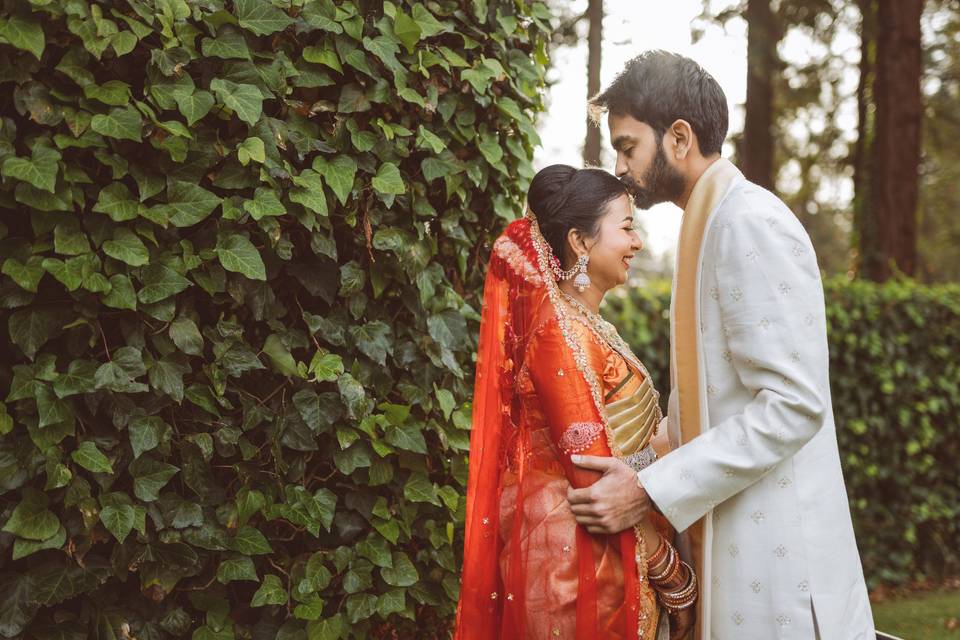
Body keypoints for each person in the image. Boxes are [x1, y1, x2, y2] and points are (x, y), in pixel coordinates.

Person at [566, 50, 875, 639]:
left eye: (628, 146)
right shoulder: (709, 222)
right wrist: (634, 465)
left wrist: (649, 490)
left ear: (678, 137)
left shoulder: (748, 222)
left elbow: (793, 404)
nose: (620, 166)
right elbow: (714, 393)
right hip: (741, 540)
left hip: (782, 569)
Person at [455, 165, 696, 639]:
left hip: (603, 552)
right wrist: (672, 574)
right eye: (626, 227)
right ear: (581, 242)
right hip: (577, 568)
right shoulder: (557, 333)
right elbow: (596, 479)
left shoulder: (583, 324)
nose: (637, 243)